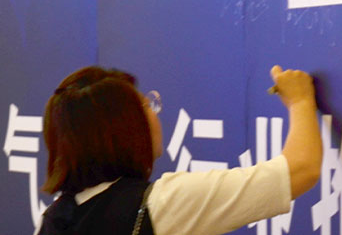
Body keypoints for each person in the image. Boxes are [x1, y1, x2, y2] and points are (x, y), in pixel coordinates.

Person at [37, 65, 322, 235]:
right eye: (146, 106)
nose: (155, 114)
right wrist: (300, 102)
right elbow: (300, 170)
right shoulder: (160, 204)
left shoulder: (53, 219)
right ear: (125, 128)